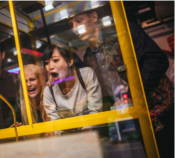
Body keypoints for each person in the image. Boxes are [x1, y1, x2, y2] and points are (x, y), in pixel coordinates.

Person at [68, 6, 174, 158]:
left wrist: (132, 95)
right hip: (133, 125)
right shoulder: (88, 57)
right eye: (71, 25)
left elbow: (156, 59)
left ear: (93, 17)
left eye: (78, 21)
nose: (75, 28)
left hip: (163, 114)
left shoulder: (124, 31)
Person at [43, 45, 102, 121]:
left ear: (70, 61)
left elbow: (95, 111)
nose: (50, 66)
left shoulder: (86, 75)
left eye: (55, 60)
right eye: (46, 63)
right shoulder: (49, 91)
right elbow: (55, 125)